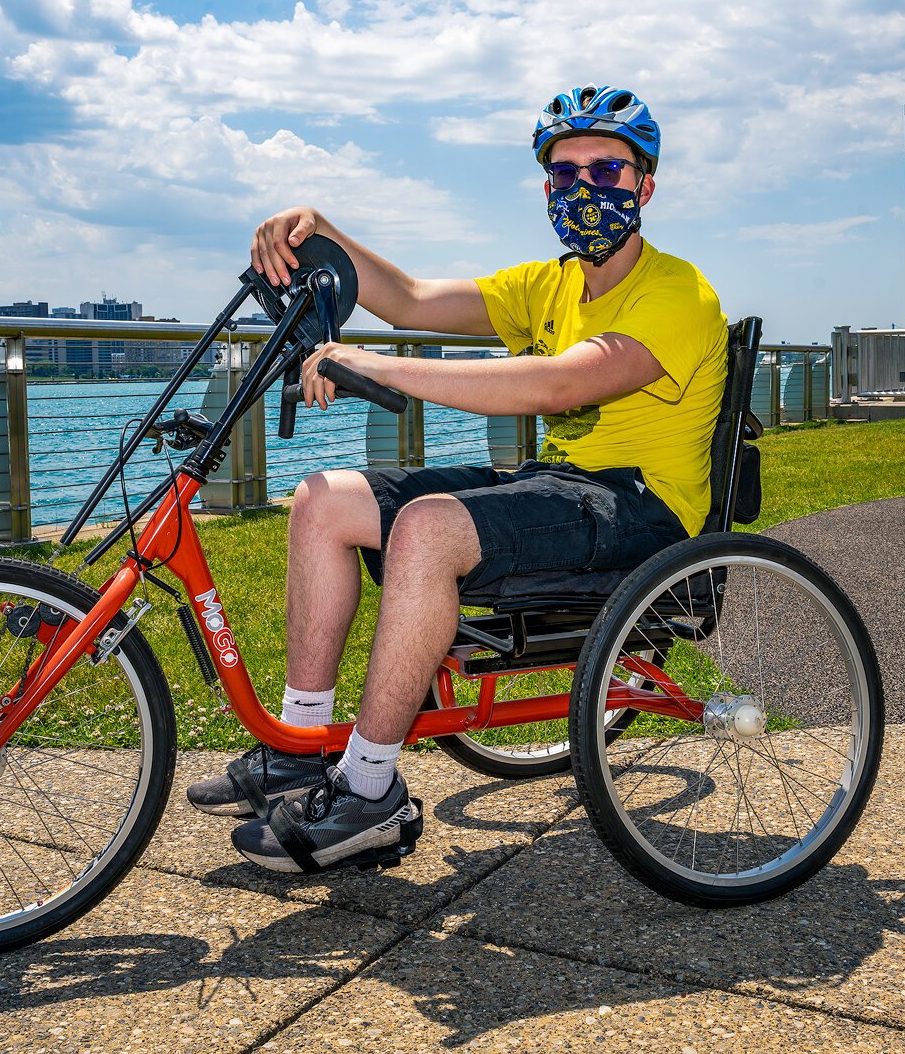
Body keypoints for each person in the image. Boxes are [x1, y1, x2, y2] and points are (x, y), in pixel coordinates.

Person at [187, 85, 729, 874]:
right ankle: (301, 748)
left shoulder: (679, 293)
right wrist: (319, 228)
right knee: (323, 500)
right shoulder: (550, 284)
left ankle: (368, 793)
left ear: (645, 186)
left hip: (642, 508)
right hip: (561, 484)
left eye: (606, 172)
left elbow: (557, 386)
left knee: (428, 526)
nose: (584, 190)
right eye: (565, 174)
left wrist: (371, 364)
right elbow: (406, 299)